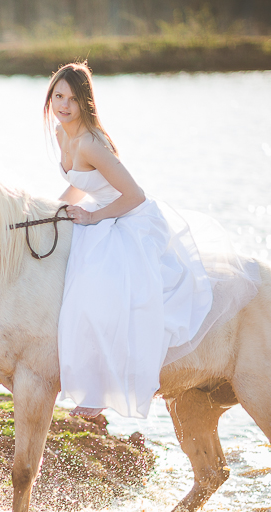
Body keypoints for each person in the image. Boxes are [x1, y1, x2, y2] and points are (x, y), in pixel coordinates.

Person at [49, 62, 251, 419]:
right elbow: (80, 184)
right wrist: (53, 209)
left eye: (73, 99)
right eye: (58, 96)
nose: (64, 105)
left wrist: (94, 218)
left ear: (85, 103)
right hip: (102, 211)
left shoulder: (91, 143)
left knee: (101, 288)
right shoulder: (60, 133)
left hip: (131, 218)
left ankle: (103, 389)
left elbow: (135, 196)